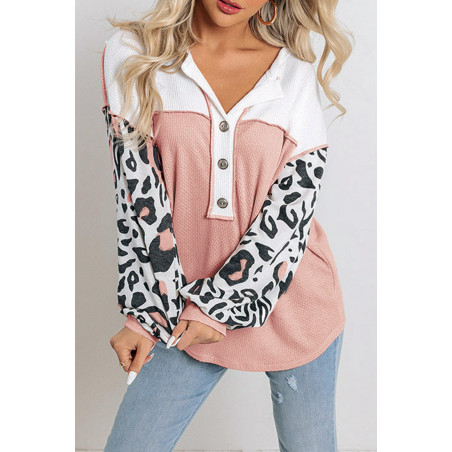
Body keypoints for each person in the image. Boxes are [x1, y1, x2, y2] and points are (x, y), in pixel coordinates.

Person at [100, 1, 353, 450]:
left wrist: (218, 307)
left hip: (293, 300)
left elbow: (292, 210)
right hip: (182, 306)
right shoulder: (134, 53)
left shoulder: (292, 70)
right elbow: (138, 199)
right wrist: (144, 314)